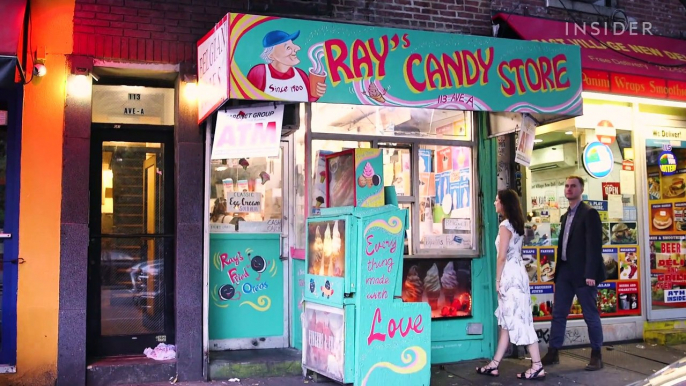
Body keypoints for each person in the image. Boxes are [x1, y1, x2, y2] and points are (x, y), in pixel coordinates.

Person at [476, 189, 545, 380]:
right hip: (518, 274)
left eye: (497, 200)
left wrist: (497, 280)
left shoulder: (505, 225)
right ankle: (495, 364)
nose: (494, 203)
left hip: (510, 277)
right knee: (508, 321)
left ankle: (537, 365)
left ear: (505, 204)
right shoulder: (516, 224)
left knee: (519, 320)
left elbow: (502, 256)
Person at [541, 175, 606, 371]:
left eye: (573, 186)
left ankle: (597, 354)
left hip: (584, 273)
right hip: (565, 271)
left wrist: (591, 274)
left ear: (581, 189)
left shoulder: (589, 213)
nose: (569, 189)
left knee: (590, 315)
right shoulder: (565, 215)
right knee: (559, 313)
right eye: (567, 186)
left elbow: (594, 246)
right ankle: (553, 352)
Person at [246, 30, 326, 102]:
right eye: (288, 47)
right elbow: (248, 98)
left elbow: (309, 98)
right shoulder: (259, 72)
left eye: (293, 44)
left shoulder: (301, 74)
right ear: (271, 55)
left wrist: (318, 92)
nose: (297, 48)